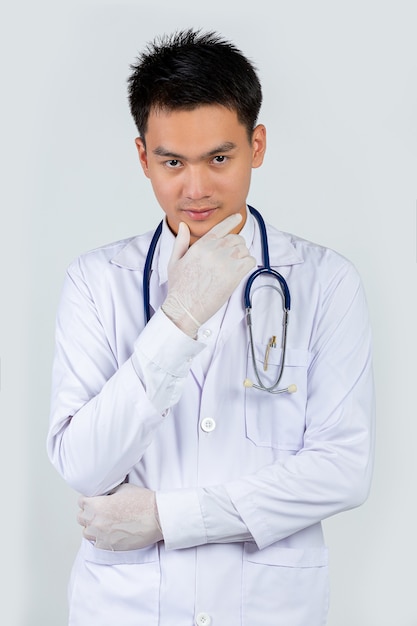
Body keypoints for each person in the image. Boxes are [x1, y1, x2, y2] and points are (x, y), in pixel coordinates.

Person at [47, 28, 375, 626]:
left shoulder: (326, 282)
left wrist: (169, 519)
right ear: (143, 156)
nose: (196, 189)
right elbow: (84, 465)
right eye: (173, 161)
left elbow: (343, 470)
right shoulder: (96, 281)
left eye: (219, 159)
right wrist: (179, 319)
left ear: (258, 145)